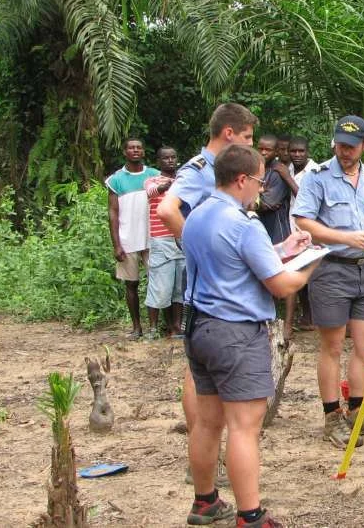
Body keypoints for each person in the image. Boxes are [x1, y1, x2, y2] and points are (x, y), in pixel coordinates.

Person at [182, 144, 318, 528]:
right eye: (259, 180)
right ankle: (251, 515)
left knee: (207, 423)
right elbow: (281, 285)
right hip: (236, 334)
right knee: (244, 427)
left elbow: (233, 260)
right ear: (242, 179)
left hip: (200, 329)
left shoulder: (197, 215)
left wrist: (282, 248)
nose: (261, 189)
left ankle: (205, 501)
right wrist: (310, 265)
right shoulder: (244, 224)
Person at [157, 102, 259, 487]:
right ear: (229, 133)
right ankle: (204, 457)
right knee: (198, 378)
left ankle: (209, 458)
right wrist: (199, 245)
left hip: (226, 287)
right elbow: (168, 209)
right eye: (247, 137)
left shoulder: (230, 173)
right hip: (209, 286)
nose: (251, 144)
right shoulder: (199, 170)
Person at [293, 115, 364, 449]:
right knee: (333, 345)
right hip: (330, 268)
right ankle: (331, 417)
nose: (345, 151)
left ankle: (358, 411)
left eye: (352, 147)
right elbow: (303, 221)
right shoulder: (317, 177)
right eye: (340, 144)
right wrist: (346, 238)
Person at [106, 137, 160, 340]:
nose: (135, 150)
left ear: (143, 152)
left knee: (155, 281)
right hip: (127, 239)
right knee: (131, 285)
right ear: (124, 152)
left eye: (139, 147)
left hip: (153, 237)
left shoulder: (154, 176)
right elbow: (112, 213)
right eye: (131, 148)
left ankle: (154, 327)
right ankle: (137, 328)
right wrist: (116, 244)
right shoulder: (116, 180)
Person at [143, 147, 184, 338]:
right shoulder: (152, 180)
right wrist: (166, 186)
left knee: (179, 287)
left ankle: (176, 327)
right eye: (165, 158)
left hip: (182, 237)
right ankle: (152, 329)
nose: (170, 161)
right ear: (158, 161)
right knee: (159, 286)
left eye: (173, 157)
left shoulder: (183, 180)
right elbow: (151, 192)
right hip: (161, 240)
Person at [286, 136, 319, 334]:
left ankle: (293, 323)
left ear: (308, 151)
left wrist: (286, 178)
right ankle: (301, 319)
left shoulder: (315, 171)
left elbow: (306, 199)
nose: (297, 155)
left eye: (301, 151)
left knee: (309, 278)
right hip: (290, 232)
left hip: (308, 233)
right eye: (293, 151)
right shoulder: (287, 168)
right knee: (295, 276)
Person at [256, 134, 291, 243]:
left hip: (276, 230)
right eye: (261, 149)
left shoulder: (279, 172)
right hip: (260, 227)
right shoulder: (256, 168)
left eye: (268, 150)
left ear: (276, 152)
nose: (263, 152)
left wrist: (251, 198)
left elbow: (266, 204)